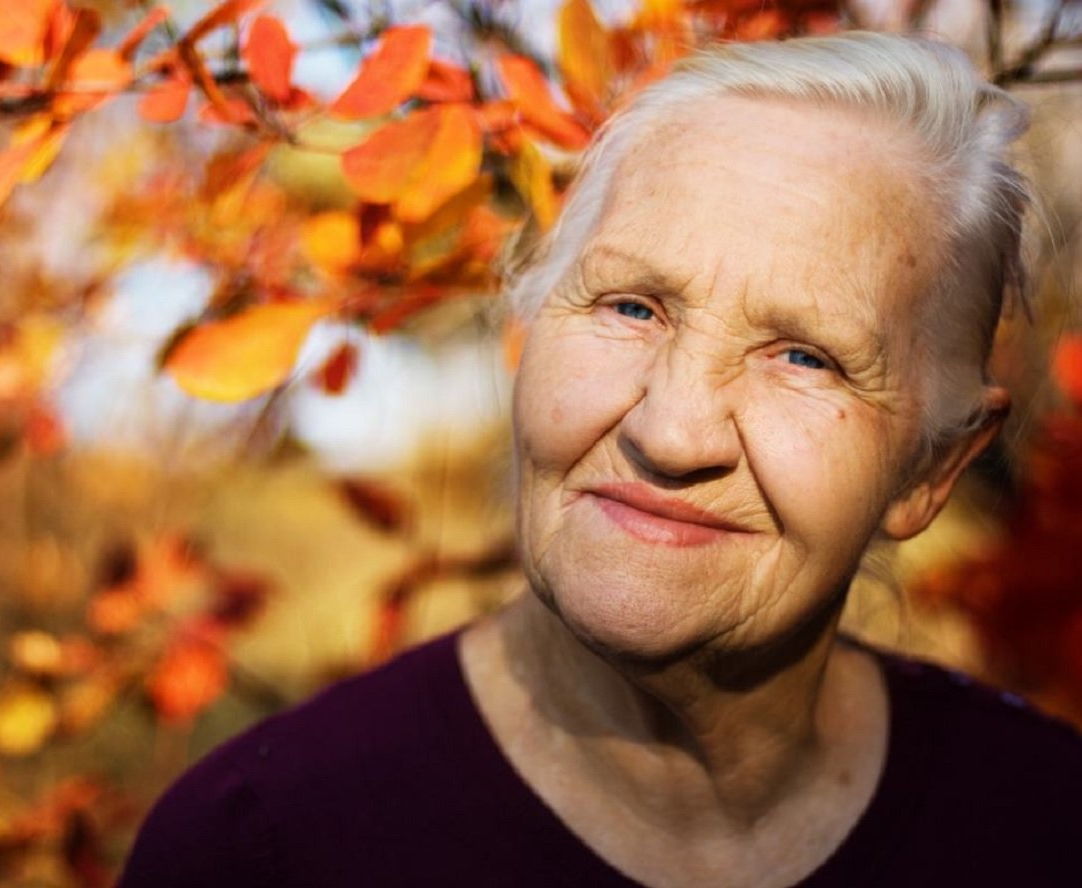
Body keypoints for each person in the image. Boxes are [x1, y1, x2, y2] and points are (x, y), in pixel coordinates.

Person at [118, 32, 1082, 887]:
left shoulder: (1047, 829)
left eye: (805, 357)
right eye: (631, 307)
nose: (670, 432)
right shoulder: (257, 850)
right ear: (528, 329)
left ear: (932, 470)